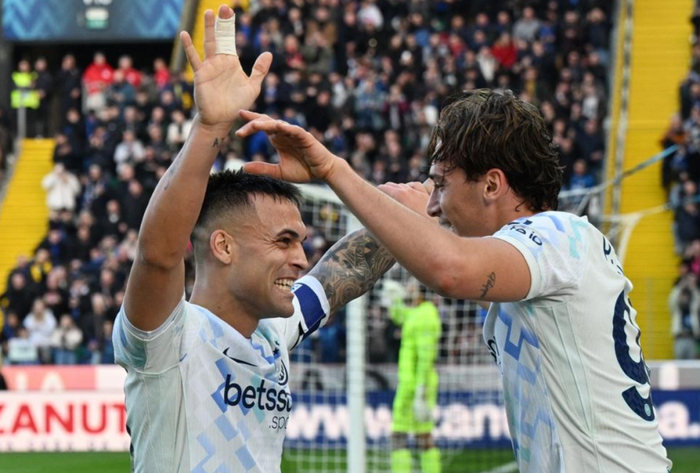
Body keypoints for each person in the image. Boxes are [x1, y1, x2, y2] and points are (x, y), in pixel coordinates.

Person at [238, 89, 673, 472]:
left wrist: (333, 169)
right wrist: (288, 318)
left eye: (441, 185)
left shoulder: (560, 234)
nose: (434, 205)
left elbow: (449, 269)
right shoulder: (535, 268)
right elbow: (381, 257)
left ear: (491, 185)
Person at [112, 6, 395, 473]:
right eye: (283, 241)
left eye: (300, 242)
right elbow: (158, 256)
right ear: (223, 246)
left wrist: (413, 206)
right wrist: (209, 129)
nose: (300, 259)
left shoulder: (271, 331)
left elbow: (347, 267)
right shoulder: (170, 338)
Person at [383, 281, 442, 473]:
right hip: (411, 384)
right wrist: (394, 301)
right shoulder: (418, 312)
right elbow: (399, 316)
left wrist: (420, 391)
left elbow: (426, 356)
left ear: (420, 291)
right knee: (421, 435)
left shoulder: (426, 315)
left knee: (403, 435)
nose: (408, 287)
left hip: (417, 386)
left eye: (412, 285)